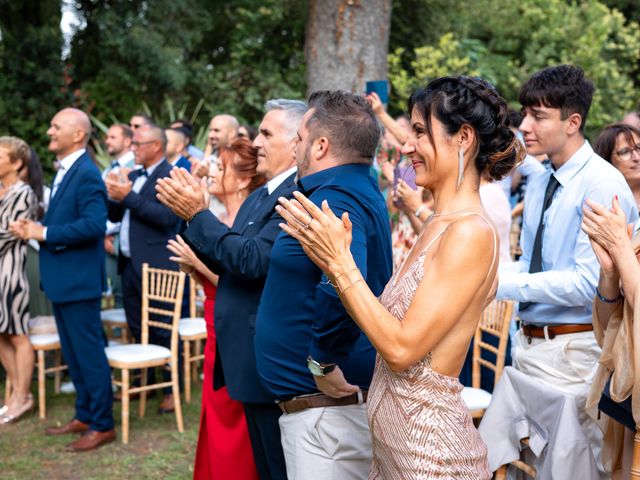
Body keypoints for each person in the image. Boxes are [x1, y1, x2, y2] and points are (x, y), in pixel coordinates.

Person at [278, 77, 523, 478]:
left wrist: (339, 264)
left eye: (421, 133)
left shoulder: (471, 231)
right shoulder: (440, 223)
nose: (407, 146)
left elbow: (401, 349)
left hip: (429, 455)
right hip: (395, 447)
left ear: (463, 137)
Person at [496, 65, 638, 474]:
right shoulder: (543, 179)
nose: (525, 125)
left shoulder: (601, 183)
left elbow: (585, 284)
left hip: (576, 355)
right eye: (525, 113)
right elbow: (530, 262)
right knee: (530, 466)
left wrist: (495, 283)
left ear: (573, 122)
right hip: (530, 347)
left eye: (538, 116)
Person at [155, 99, 306, 480]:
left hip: (268, 352)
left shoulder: (295, 193)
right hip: (242, 351)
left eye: (267, 133)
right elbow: (229, 255)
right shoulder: (260, 195)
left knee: (275, 466)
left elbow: (253, 262)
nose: (255, 142)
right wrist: (193, 215)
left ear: (297, 143)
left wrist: (199, 215)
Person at [255, 91, 393, 480]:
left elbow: (346, 280)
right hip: (321, 415)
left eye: (298, 138)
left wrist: (323, 360)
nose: (294, 147)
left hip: (326, 415)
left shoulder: (335, 197)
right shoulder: (346, 189)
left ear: (320, 145)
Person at [10, 108, 115, 451]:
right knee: (74, 353)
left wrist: (44, 231)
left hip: (78, 281)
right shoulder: (69, 170)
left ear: (78, 135)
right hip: (64, 280)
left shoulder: (86, 172)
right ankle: (84, 414)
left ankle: (102, 424)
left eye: (57, 126)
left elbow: (94, 225)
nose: (49, 130)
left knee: (89, 355)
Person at [167, 137, 264, 480]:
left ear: (241, 180)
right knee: (213, 409)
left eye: (221, 169)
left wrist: (199, 263)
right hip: (213, 318)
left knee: (233, 418)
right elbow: (215, 282)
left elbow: (242, 282)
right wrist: (195, 269)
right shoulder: (222, 217)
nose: (212, 173)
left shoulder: (250, 221)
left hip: (234, 325)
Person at [105, 124, 182, 413]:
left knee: (163, 328)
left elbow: (167, 218)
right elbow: (115, 214)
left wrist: (128, 196)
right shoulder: (134, 175)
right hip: (129, 264)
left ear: (156, 147)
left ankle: (170, 387)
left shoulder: (170, 175)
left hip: (158, 264)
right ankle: (145, 381)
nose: (133, 149)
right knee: (137, 325)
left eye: (138, 144)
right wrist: (114, 194)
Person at [0, 136, 37, 424]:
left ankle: (23, 396)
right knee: (1, 334)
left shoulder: (23, 193)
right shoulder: (1, 191)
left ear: (16, 163)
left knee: (17, 334)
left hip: (11, 273)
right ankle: (13, 394)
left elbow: (12, 233)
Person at [594, 123, 640, 209]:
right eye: (625, 152)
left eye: (639, 148)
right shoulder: (601, 202)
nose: (637, 157)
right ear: (607, 161)